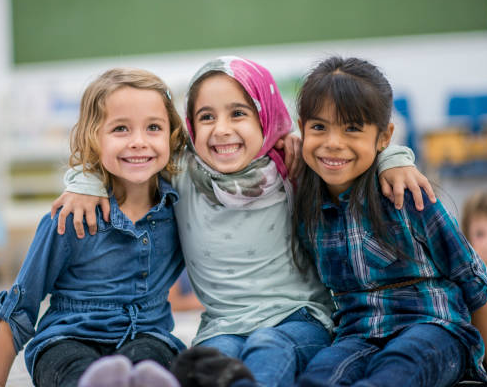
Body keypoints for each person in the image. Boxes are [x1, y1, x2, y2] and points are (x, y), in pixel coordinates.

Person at [51, 56, 433, 387]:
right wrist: (82, 181)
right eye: (206, 117)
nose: (222, 129)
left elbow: (350, 155)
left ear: (266, 117)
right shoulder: (181, 173)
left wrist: (394, 158)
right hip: (222, 325)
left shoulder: (292, 167)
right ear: (190, 127)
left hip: (299, 319)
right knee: (209, 362)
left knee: (269, 347)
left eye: (238, 113)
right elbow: (129, 162)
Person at [290, 56, 487, 387]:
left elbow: (472, 282)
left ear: (384, 136)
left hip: (434, 330)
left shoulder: (407, 194)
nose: (333, 142)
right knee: (317, 378)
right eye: (319, 127)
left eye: (352, 128)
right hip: (358, 336)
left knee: (396, 371)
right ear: (301, 128)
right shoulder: (306, 204)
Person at [0, 68, 188, 387]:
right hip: (67, 337)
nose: (138, 142)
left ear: (171, 135)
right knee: (69, 366)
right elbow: (22, 304)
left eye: (153, 127)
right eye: (120, 128)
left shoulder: (182, 209)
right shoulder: (69, 217)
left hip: (147, 335)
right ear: (94, 138)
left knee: (155, 357)